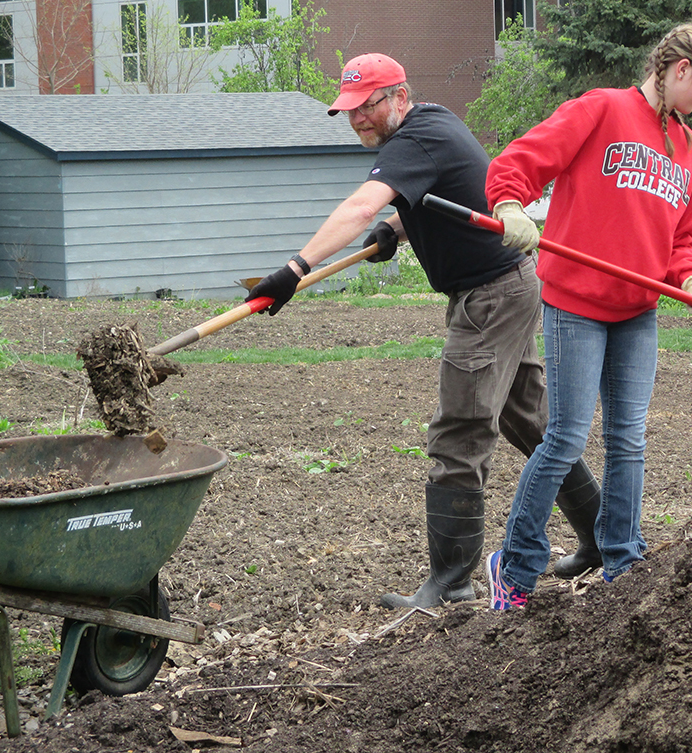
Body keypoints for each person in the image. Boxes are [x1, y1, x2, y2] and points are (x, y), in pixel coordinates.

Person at [246, 53, 604, 610]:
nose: (358, 119)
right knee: (532, 424)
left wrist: (296, 268)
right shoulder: (434, 122)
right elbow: (448, 192)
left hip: (490, 299)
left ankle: (452, 582)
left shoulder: (410, 140)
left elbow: (362, 202)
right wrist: (397, 227)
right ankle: (601, 539)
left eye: (366, 106)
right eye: (349, 110)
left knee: (459, 434)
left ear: (398, 97)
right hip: (508, 287)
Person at [481, 24, 692, 610]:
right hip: (576, 304)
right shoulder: (602, 110)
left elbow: (679, 241)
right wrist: (512, 204)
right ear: (677, 70)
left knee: (628, 439)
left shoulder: (690, 152)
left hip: (637, 312)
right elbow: (520, 161)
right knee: (567, 435)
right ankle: (514, 567)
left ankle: (621, 561)